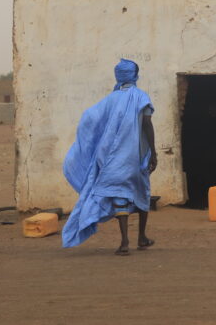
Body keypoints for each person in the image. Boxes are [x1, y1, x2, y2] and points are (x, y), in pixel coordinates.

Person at [61, 59, 157, 255]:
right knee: (142, 191)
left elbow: (90, 119)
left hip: (110, 158)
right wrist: (153, 151)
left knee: (119, 195)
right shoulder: (140, 97)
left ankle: (124, 242)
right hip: (134, 156)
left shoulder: (110, 100)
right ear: (135, 75)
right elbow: (147, 124)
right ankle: (142, 237)